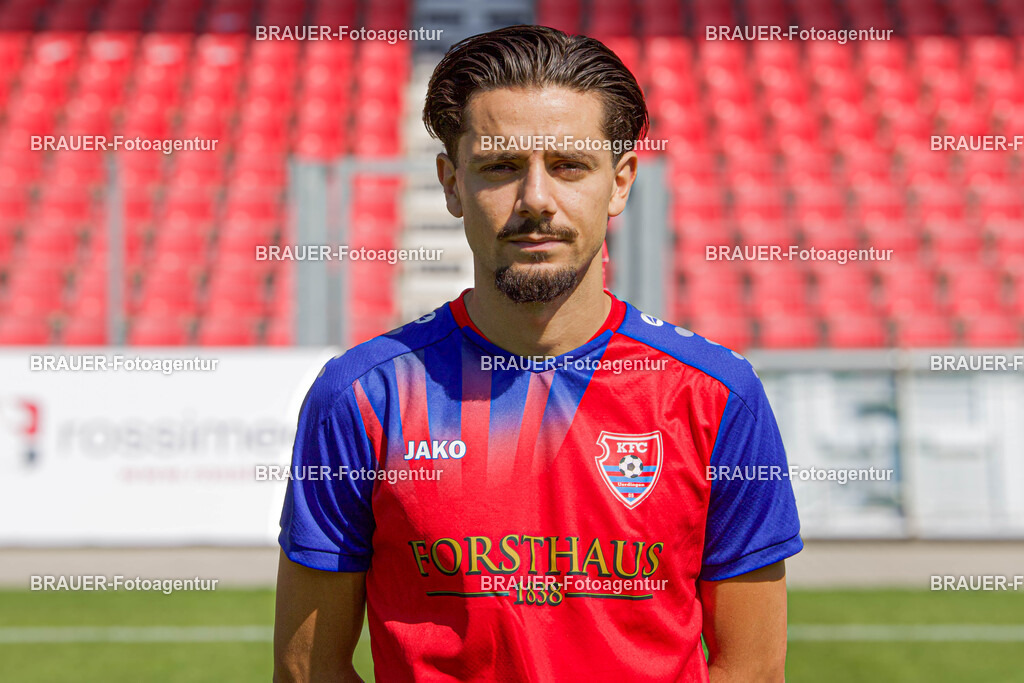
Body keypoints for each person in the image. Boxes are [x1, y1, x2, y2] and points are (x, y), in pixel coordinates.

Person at [274, 25, 801, 682]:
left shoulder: (717, 395)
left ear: (621, 182)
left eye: (570, 166)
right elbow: (308, 670)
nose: (536, 200)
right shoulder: (361, 397)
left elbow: (751, 669)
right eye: (500, 167)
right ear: (450, 182)